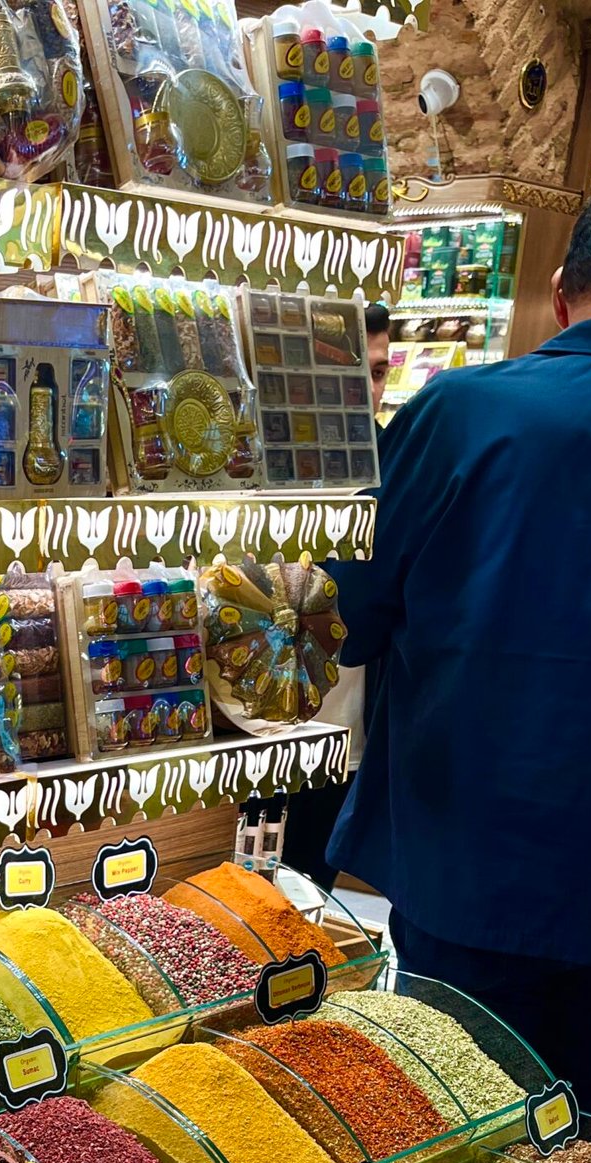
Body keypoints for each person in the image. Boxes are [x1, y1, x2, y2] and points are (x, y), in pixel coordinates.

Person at [325, 162, 591, 1131]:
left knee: (435, 1157)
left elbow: (346, 613)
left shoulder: (456, 415)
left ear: (561, 288)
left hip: (459, 880)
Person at [277, 301, 392, 889]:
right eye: (348, 375)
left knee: (300, 900)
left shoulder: (394, 464)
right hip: (243, 723)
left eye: (375, 374)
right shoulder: (261, 455)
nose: (364, 393)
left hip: (338, 738)